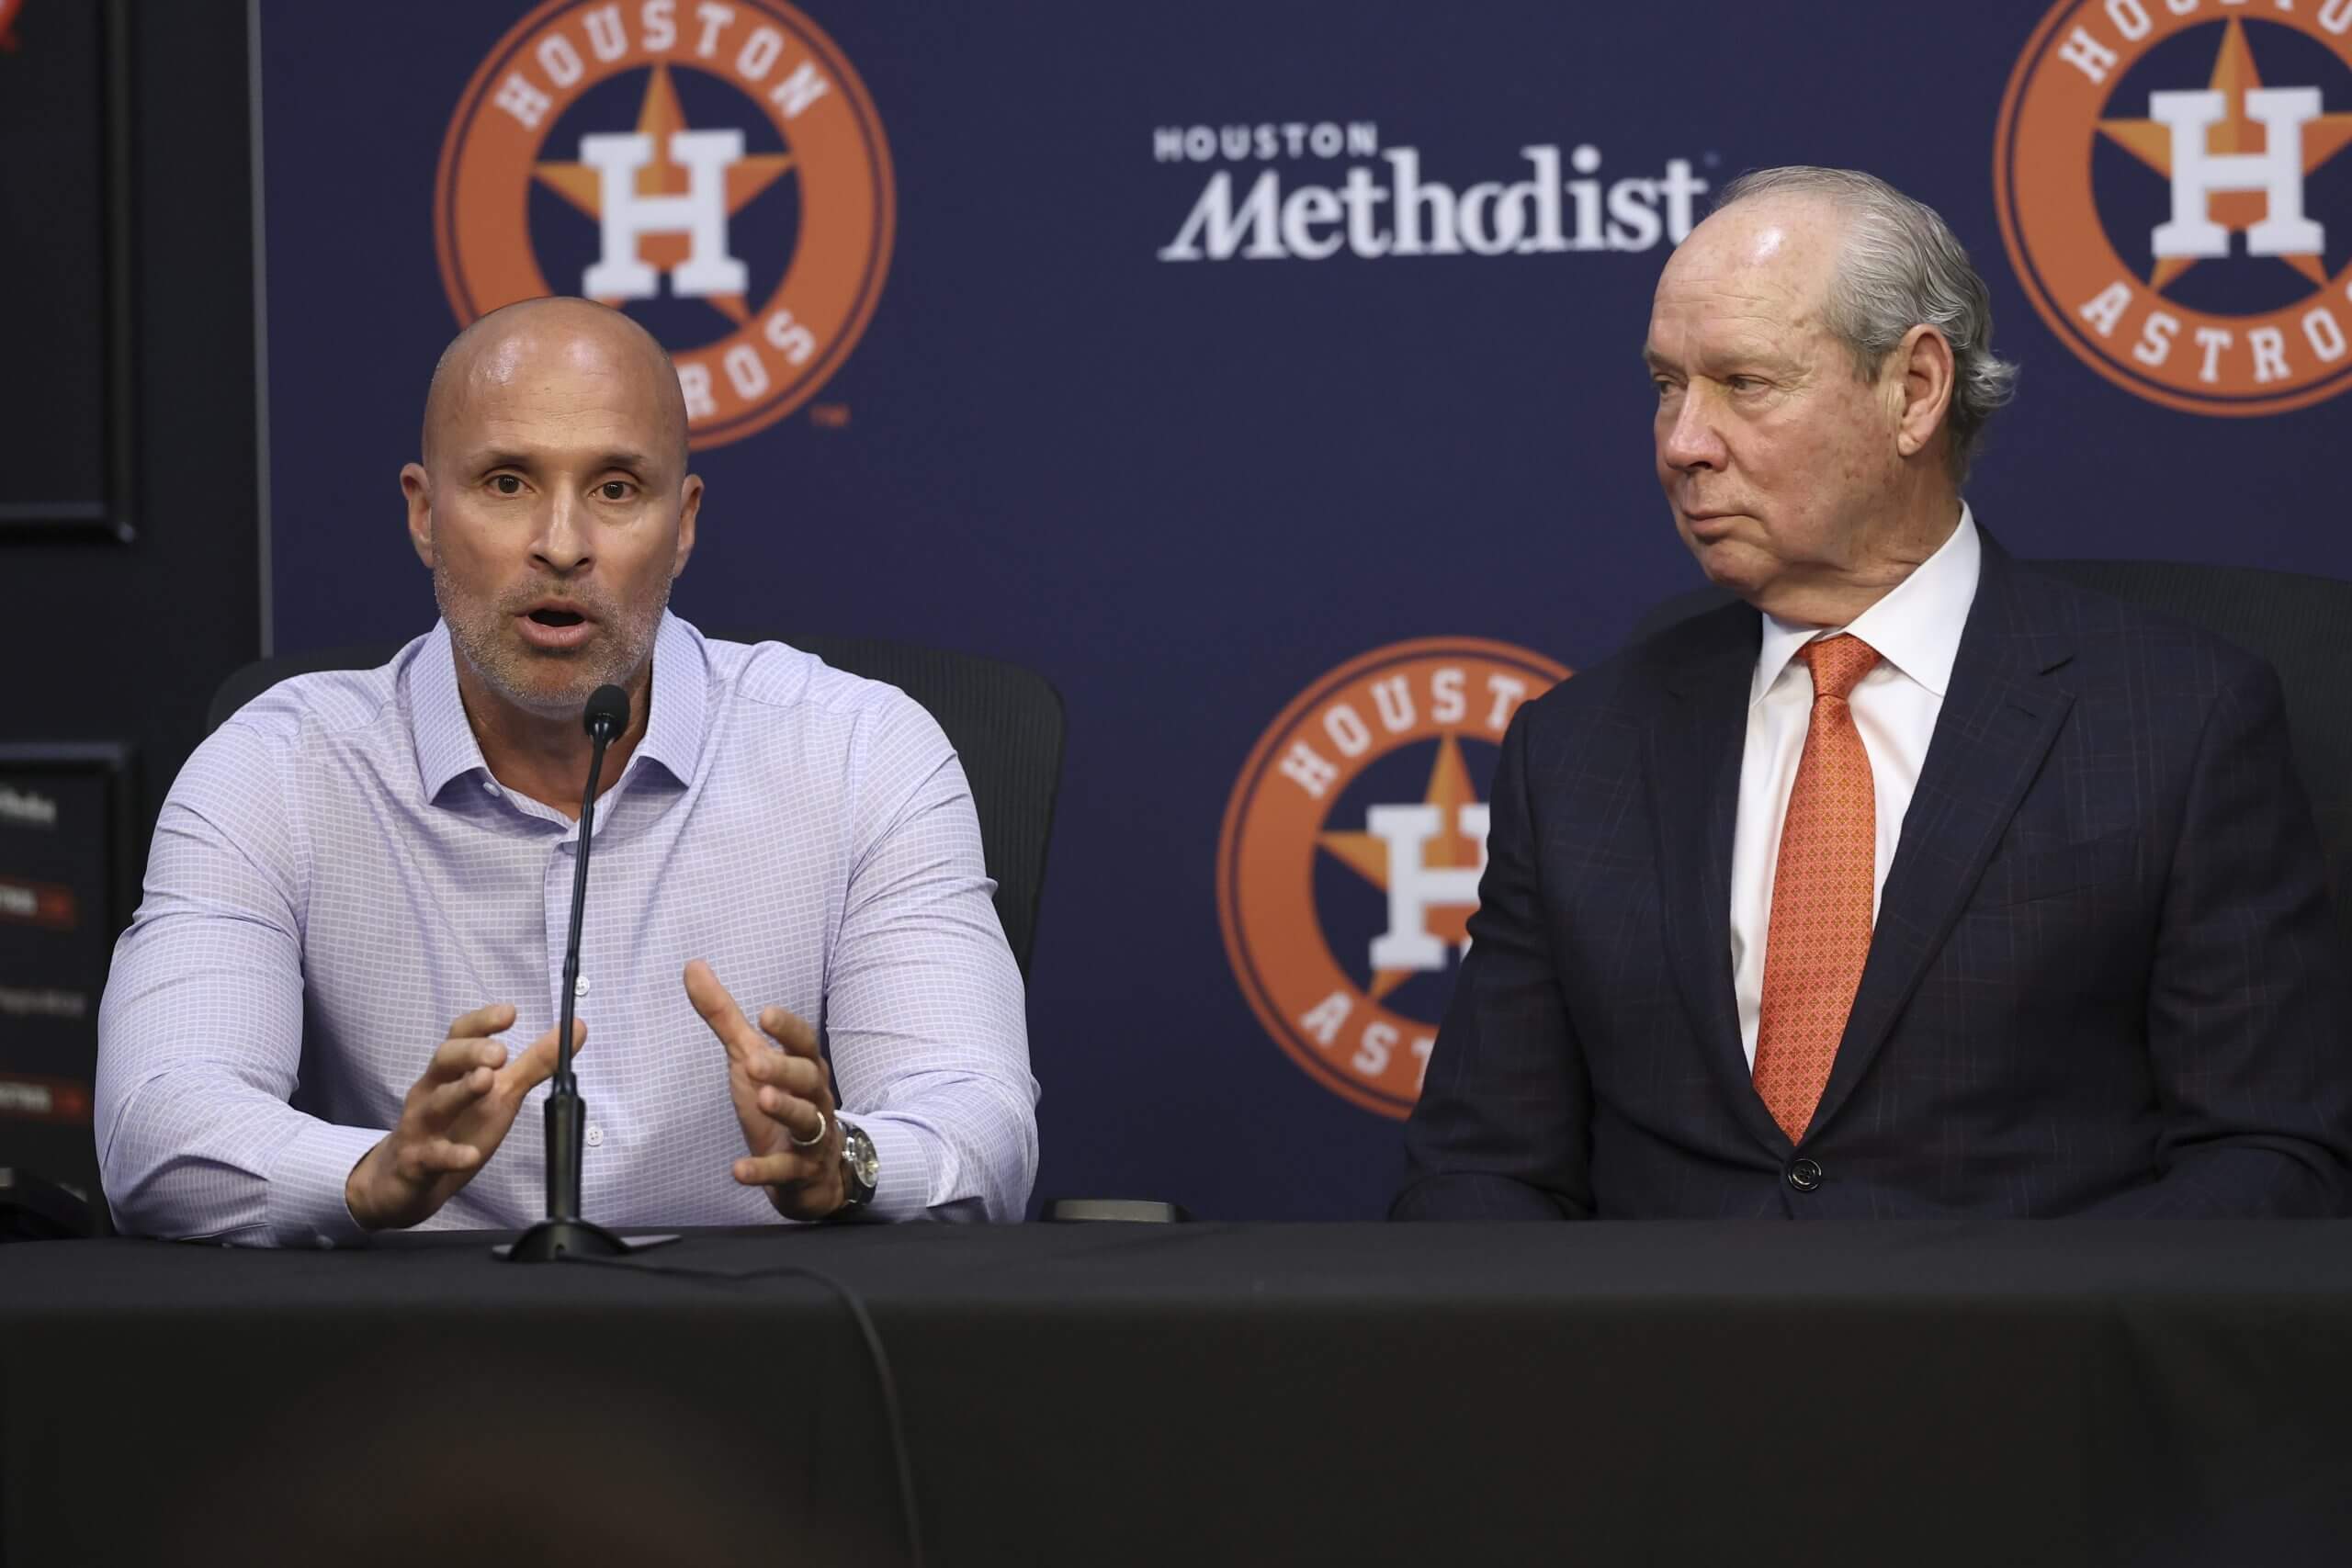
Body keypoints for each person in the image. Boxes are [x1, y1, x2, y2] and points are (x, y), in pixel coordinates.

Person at [1396, 166, 2352, 1220]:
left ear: (1913, 391)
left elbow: (2267, 1154)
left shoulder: (2174, 719)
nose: (1682, 443)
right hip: (1653, 1374)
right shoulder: (1573, 749)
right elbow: (1478, 1171)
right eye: (1668, 384)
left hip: (2032, 1369)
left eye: (1742, 384)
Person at [96, 297, 1036, 1243]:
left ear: (683, 524)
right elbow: (158, 1122)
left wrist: (848, 1163)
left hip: (768, 1350)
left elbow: (978, 1121)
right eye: (507, 483)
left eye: (617, 490)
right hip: (410, 1364)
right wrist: (363, 1173)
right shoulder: (276, 769)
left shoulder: (859, 752)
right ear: (424, 514)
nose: (561, 543)